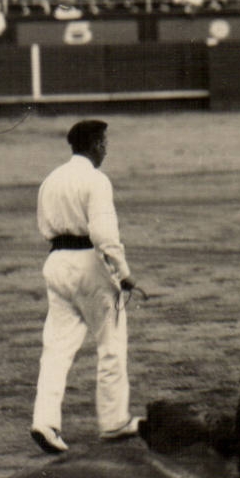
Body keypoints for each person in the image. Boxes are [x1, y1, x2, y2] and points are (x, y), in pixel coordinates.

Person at [31, 120, 143, 453]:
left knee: (56, 348)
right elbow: (105, 236)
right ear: (95, 144)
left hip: (56, 262)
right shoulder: (96, 180)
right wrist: (124, 274)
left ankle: (45, 422)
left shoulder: (51, 180)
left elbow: (44, 225)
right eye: (104, 142)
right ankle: (113, 422)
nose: (106, 148)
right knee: (111, 343)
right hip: (88, 264)